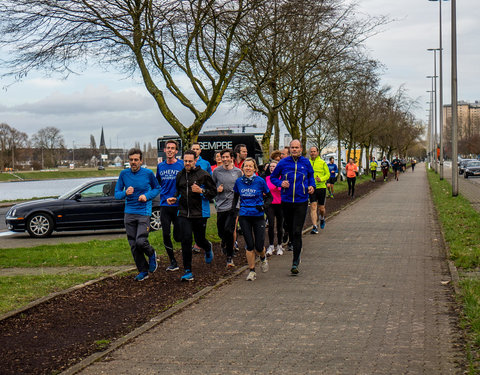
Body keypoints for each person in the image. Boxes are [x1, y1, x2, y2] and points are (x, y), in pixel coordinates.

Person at [166, 150, 217, 281]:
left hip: (198, 213)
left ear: (195, 161)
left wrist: (201, 191)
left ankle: (207, 246)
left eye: (190, 161)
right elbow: (179, 191)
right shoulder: (180, 175)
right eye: (185, 161)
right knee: (186, 240)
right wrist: (175, 198)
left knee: (199, 240)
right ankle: (188, 270)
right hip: (183, 213)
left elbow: (213, 192)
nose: (187, 163)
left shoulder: (203, 175)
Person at [115, 148, 161, 281]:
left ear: (141, 161)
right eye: (131, 160)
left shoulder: (147, 173)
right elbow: (117, 194)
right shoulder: (124, 174)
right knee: (134, 245)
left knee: (141, 241)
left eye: (136, 160)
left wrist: (146, 196)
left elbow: (157, 188)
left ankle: (151, 253)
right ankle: (143, 271)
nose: (133, 162)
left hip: (143, 212)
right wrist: (125, 193)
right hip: (129, 213)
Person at [270, 139, 315, 275]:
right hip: (287, 201)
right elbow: (273, 177)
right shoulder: (283, 163)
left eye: (297, 147)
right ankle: (291, 242)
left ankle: (295, 261)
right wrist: (280, 183)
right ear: (289, 149)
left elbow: (311, 176)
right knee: (289, 229)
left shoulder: (306, 162)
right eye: (292, 147)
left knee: (297, 231)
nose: (294, 149)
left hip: (301, 201)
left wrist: (312, 186)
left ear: (301, 149)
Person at [232, 158, 272, 281]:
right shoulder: (239, 182)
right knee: (249, 245)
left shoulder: (260, 181)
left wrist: (263, 206)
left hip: (258, 216)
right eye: (246, 166)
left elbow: (269, 197)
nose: (248, 168)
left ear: (254, 169)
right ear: (242, 168)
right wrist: (234, 211)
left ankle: (263, 257)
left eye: (250, 166)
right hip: (244, 215)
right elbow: (235, 197)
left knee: (259, 247)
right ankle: (252, 271)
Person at [155, 140, 184, 271]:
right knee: (165, 234)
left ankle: (185, 256)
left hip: (178, 204)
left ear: (176, 151)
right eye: (168, 148)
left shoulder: (182, 165)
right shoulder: (160, 166)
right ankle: (173, 261)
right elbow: (158, 183)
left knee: (178, 236)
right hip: (165, 204)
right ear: (165, 150)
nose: (170, 150)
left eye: (173, 148)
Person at [212, 148, 243, 268]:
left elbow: (241, 188)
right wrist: (216, 190)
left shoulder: (238, 172)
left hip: (234, 205)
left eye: (227, 157)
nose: (224, 159)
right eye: (222, 157)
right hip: (221, 206)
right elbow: (211, 187)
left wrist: (239, 203)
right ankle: (224, 241)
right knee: (221, 231)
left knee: (230, 230)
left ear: (232, 158)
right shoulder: (216, 172)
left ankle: (229, 258)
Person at [309, 146, 330, 234]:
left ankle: (322, 218)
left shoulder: (322, 162)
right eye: (311, 151)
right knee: (313, 206)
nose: (313, 153)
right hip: (312, 188)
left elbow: (328, 174)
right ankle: (314, 226)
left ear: (317, 152)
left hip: (321, 187)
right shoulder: (307, 163)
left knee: (321, 208)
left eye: (314, 151)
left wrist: (321, 179)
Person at [265, 161, 284, 256]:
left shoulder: (281, 178)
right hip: (270, 204)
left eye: (274, 166)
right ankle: (271, 245)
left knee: (280, 226)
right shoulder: (267, 178)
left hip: (280, 204)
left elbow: (284, 189)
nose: (272, 168)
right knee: (271, 225)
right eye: (270, 166)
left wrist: (279, 186)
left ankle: (280, 245)